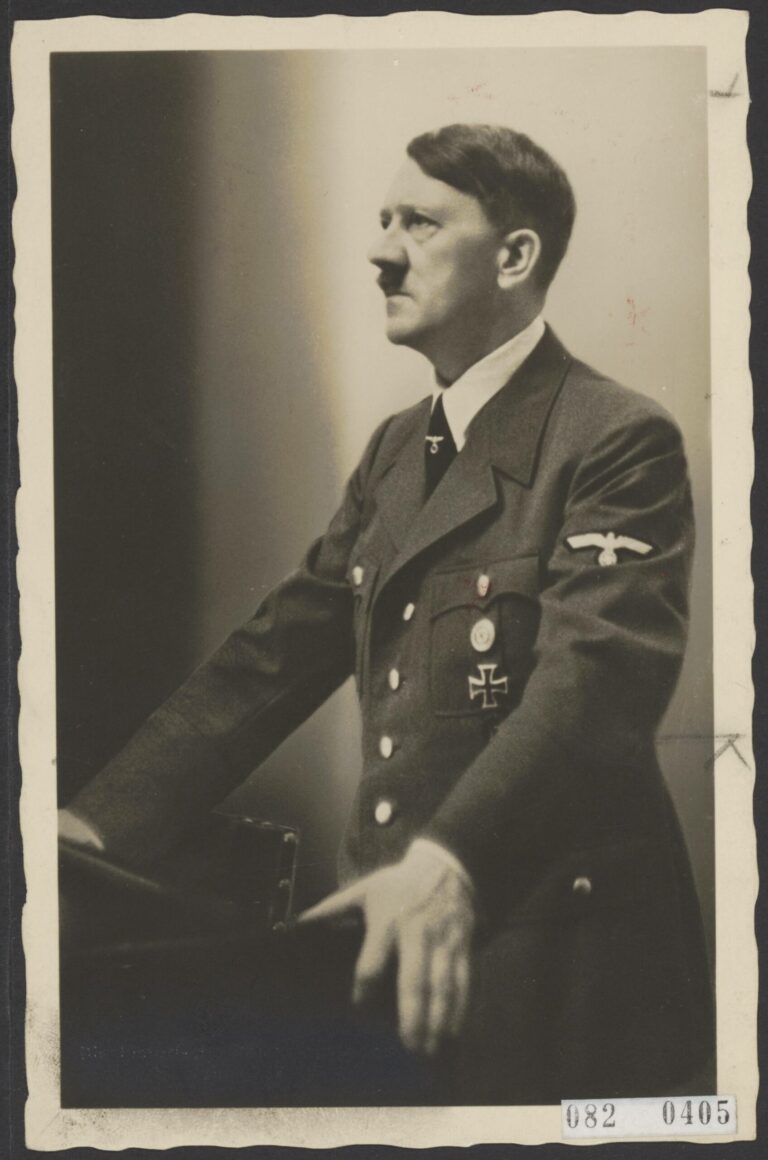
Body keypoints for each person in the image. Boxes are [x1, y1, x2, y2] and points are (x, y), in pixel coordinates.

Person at [60, 123, 713, 1103]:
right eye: (381, 220)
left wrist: (453, 861)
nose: (380, 252)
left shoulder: (615, 437)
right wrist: (93, 827)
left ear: (515, 256)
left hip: (560, 974)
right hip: (386, 953)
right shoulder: (397, 451)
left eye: (420, 223)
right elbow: (270, 659)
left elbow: (597, 684)